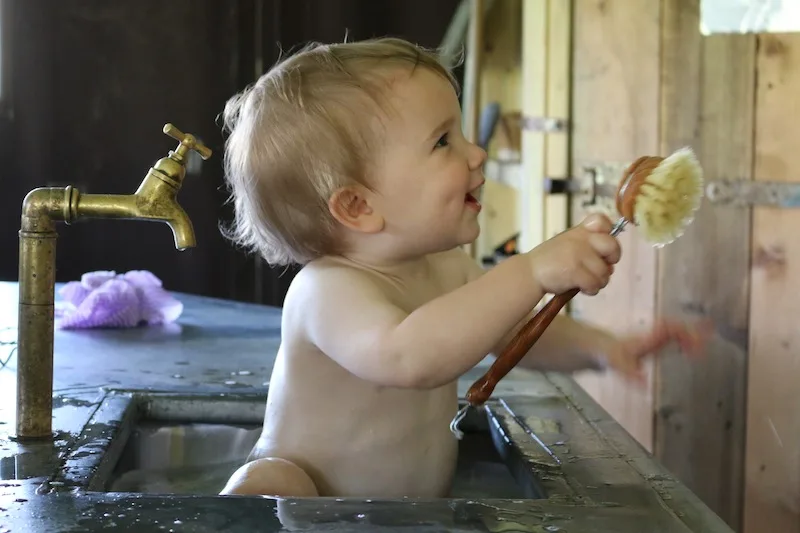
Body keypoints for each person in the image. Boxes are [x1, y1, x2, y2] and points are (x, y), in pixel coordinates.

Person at [217, 37, 711, 498]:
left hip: (411, 516)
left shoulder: (444, 267)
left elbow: (511, 329)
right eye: (442, 142)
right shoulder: (324, 292)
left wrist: (606, 349)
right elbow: (410, 356)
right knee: (269, 481)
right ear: (358, 206)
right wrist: (531, 271)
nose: (477, 153)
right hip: (313, 510)